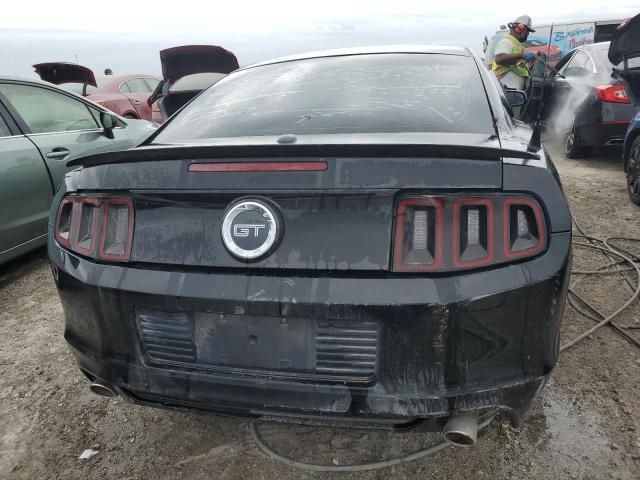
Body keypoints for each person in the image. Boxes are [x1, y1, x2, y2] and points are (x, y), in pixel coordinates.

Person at [492, 15, 537, 90]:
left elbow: (518, 66)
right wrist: (521, 55)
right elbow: (499, 59)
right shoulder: (506, 42)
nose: (528, 34)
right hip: (505, 90)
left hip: (515, 93)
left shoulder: (519, 46)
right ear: (519, 29)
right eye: (527, 31)